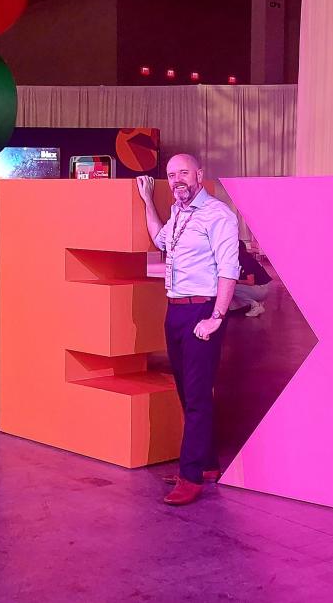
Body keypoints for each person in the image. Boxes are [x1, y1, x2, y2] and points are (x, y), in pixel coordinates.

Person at [137, 153, 239, 507]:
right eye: (171, 175)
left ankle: (191, 475)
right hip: (175, 311)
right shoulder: (179, 212)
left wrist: (217, 317)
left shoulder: (219, 215)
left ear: (199, 174)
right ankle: (207, 462)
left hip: (202, 311)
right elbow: (160, 241)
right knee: (186, 392)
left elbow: (229, 269)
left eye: (183, 172)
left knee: (196, 397)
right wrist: (148, 200)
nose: (177, 179)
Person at [232, 241, 272, 317]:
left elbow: (250, 282)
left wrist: (236, 281)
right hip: (260, 287)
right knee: (233, 287)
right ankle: (254, 303)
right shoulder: (243, 258)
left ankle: (255, 306)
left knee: (231, 287)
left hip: (261, 289)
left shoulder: (246, 260)